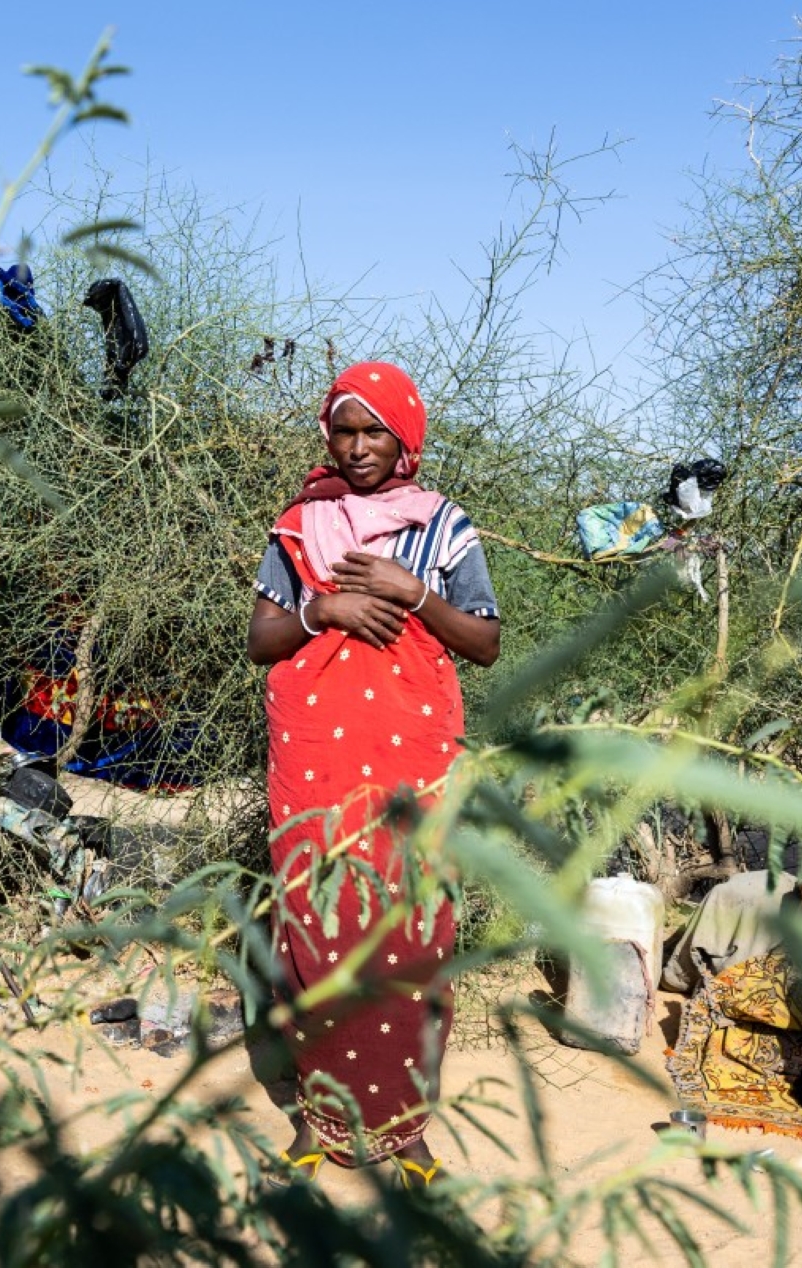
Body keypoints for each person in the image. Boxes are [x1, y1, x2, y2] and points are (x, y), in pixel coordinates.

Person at [246, 361, 500, 1187]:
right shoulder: (299, 525)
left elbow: (486, 642)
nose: (357, 448)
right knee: (319, 919)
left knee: (410, 925)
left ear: (405, 439)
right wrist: (323, 609)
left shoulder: (444, 526)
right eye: (344, 432)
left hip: (411, 751)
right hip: (316, 752)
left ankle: (407, 1129)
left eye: (374, 433)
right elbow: (261, 640)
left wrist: (412, 593)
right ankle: (317, 1117)